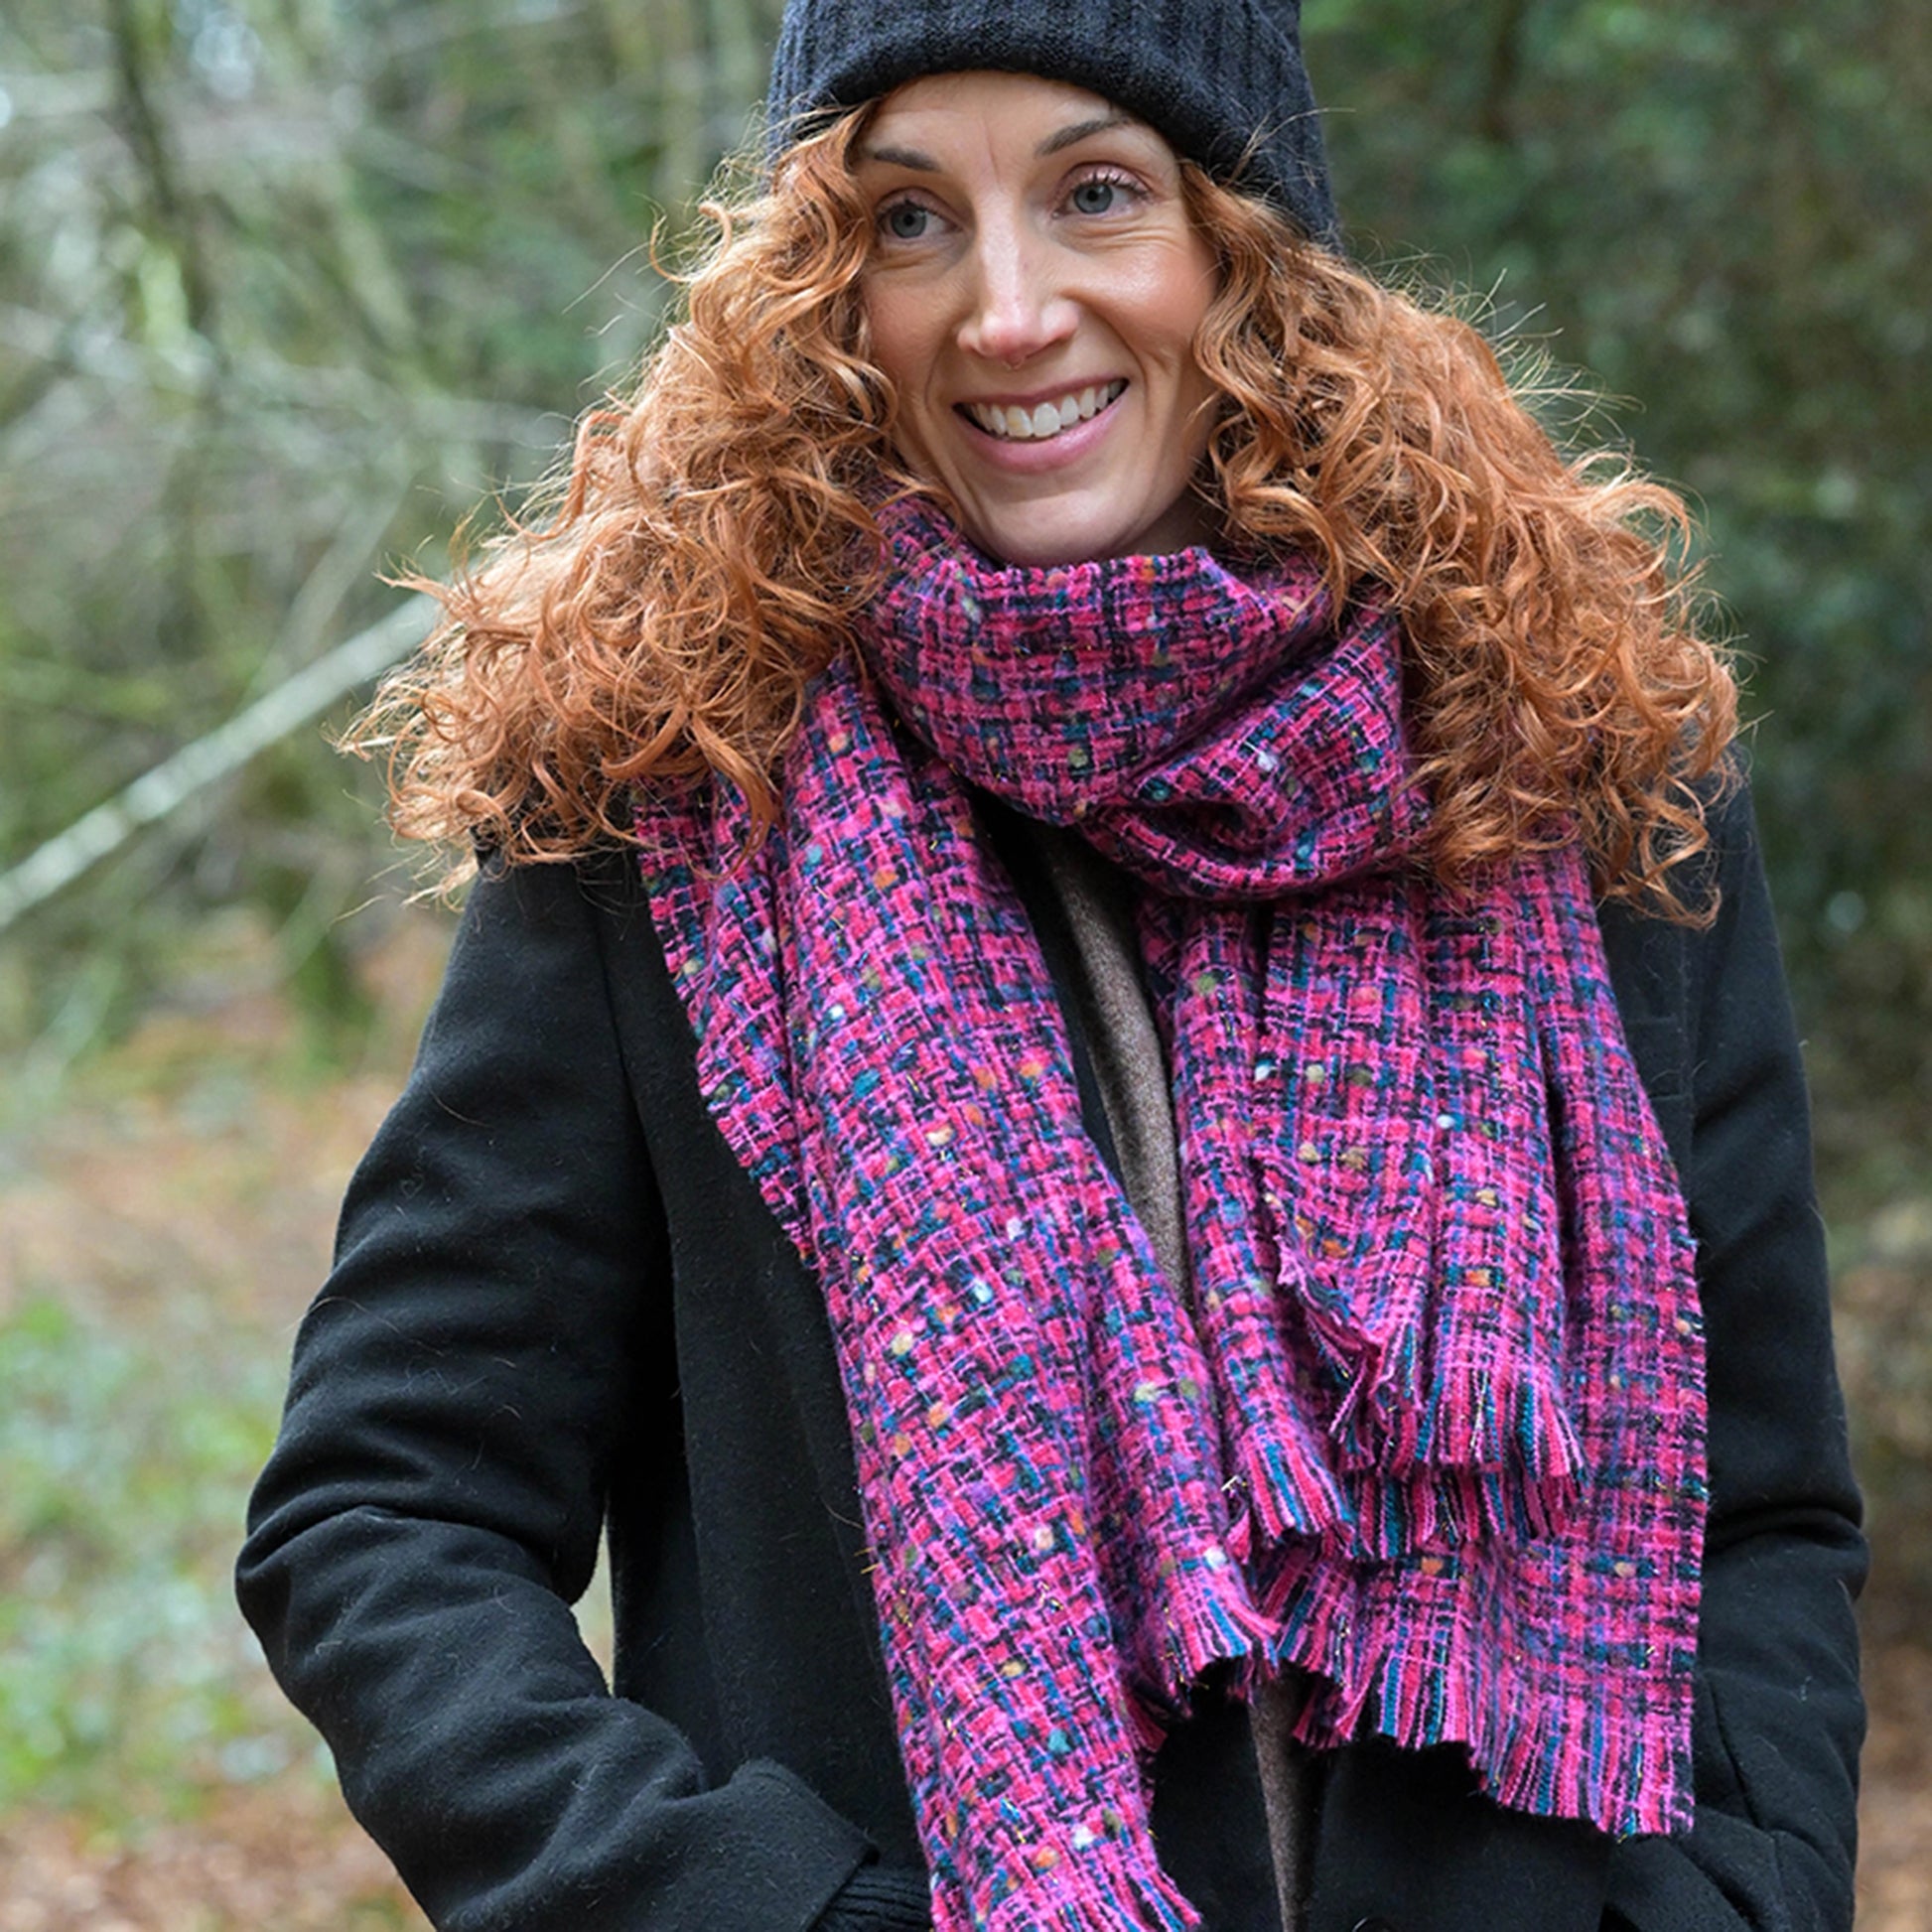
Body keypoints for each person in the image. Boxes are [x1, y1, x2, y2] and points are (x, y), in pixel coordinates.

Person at [237, 3, 1866, 1928]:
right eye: (909, 218)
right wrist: (767, 1908)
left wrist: (1724, 1904)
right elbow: (386, 1518)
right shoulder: (672, 806)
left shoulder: (1564, 770)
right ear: (821, 289)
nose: (1005, 312)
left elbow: (1759, 1506)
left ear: (1244, 248)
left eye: (1095, 194)